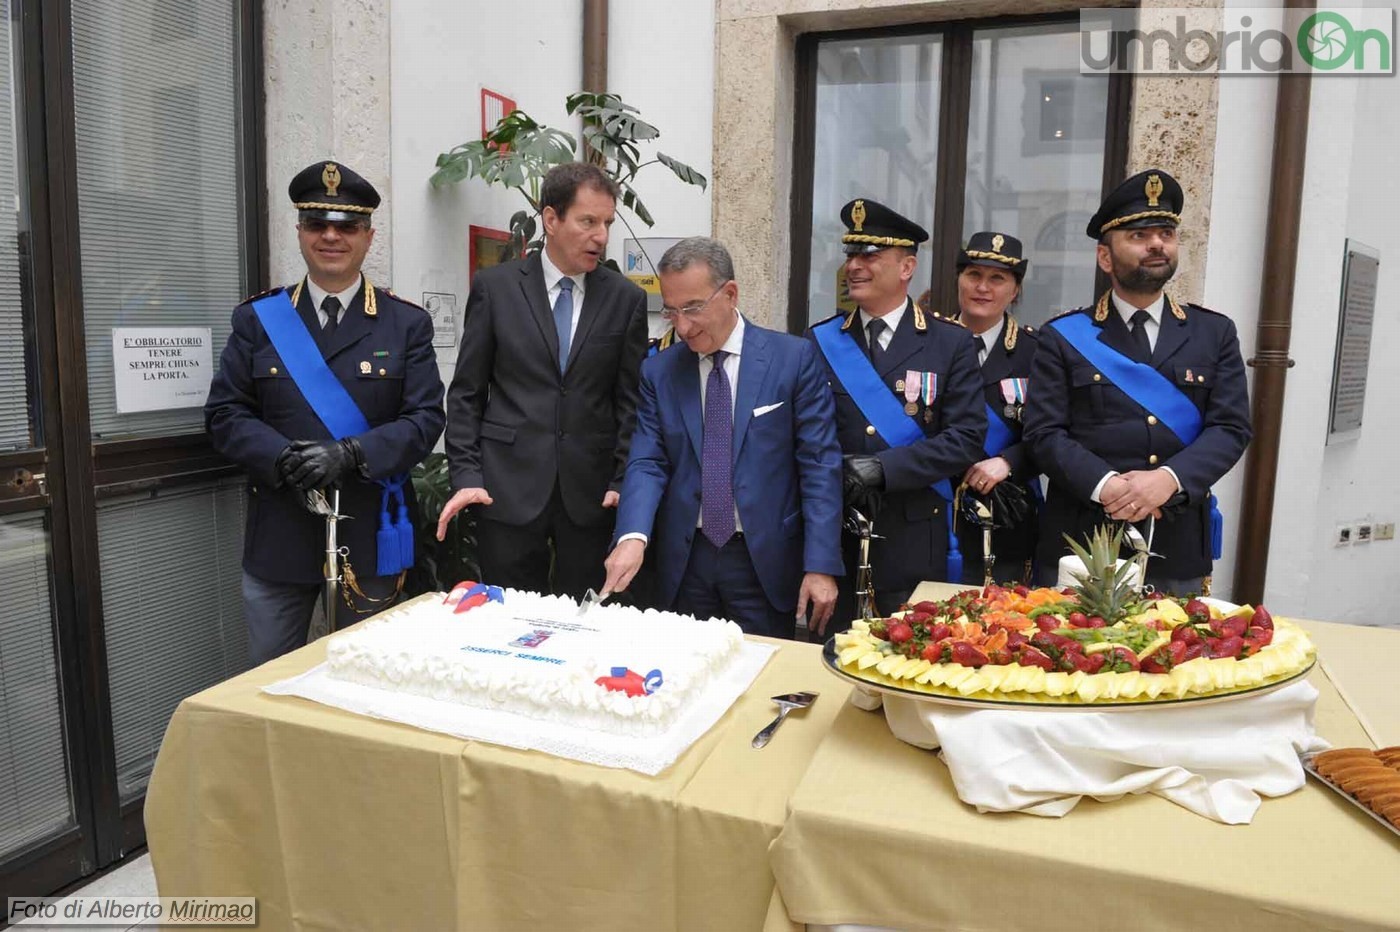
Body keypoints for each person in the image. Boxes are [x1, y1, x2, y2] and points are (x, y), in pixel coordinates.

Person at [205, 160, 445, 664]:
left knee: (369, 680)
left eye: (347, 226)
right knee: (271, 682)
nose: (331, 236)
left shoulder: (405, 325)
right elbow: (226, 413)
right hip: (281, 536)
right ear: (299, 233)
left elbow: (425, 420)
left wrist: (352, 452)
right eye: (318, 224)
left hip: (371, 538)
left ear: (368, 236)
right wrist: (281, 458)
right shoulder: (258, 320)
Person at [1022, 169, 1252, 594]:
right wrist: (1109, 487)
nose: (1156, 244)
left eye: (1165, 232)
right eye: (1139, 235)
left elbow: (1231, 428)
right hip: (1083, 538)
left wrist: (1167, 480)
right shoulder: (1062, 336)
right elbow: (1043, 433)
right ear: (1105, 257)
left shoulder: (1213, 332)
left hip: (1177, 539)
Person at [602, 237, 843, 639]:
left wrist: (820, 564)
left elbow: (819, 465)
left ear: (730, 293)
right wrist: (632, 536)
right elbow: (648, 461)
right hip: (685, 558)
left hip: (762, 559)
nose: (682, 326)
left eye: (693, 308)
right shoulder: (659, 372)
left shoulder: (792, 360)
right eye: (671, 311)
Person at [437, 162, 649, 598]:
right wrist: (467, 475)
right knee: (508, 623)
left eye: (607, 222)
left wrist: (622, 480)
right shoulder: (495, 288)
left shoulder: (625, 299)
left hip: (590, 499)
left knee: (587, 623)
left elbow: (631, 402)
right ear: (551, 219)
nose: (601, 236)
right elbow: (466, 394)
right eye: (588, 221)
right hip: (505, 492)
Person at [808, 199, 985, 622]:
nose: (854, 266)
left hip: (914, 537)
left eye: (870, 255)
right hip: (839, 537)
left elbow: (966, 438)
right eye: (851, 254)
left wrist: (883, 468)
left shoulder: (950, 342)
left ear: (906, 268)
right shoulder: (819, 341)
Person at [947, 232, 1041, 586]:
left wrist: (1009, 461)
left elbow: (1054, 433)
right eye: (973, 275)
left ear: (1015, 290)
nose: (982, 287)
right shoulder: (928, 343)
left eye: (997, 278)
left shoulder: (1037, 351)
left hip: (1008, 516)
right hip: (941, 516)